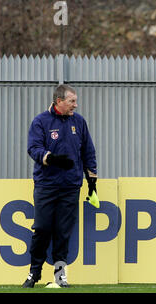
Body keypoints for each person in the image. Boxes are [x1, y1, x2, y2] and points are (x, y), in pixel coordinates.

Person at [23, 84, 97, 288]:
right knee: (42, 229)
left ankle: (60, 275)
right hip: (46, 186)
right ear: (59, 101)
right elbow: (34, 148)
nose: (76, 105)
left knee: (63, 232)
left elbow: (88, 152)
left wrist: (92, 182)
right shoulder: (41, 121)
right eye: (72, 101)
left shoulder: (79, 122)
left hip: (71, 187)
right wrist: (51, 159)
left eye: (75, 101)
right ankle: (34, 273)